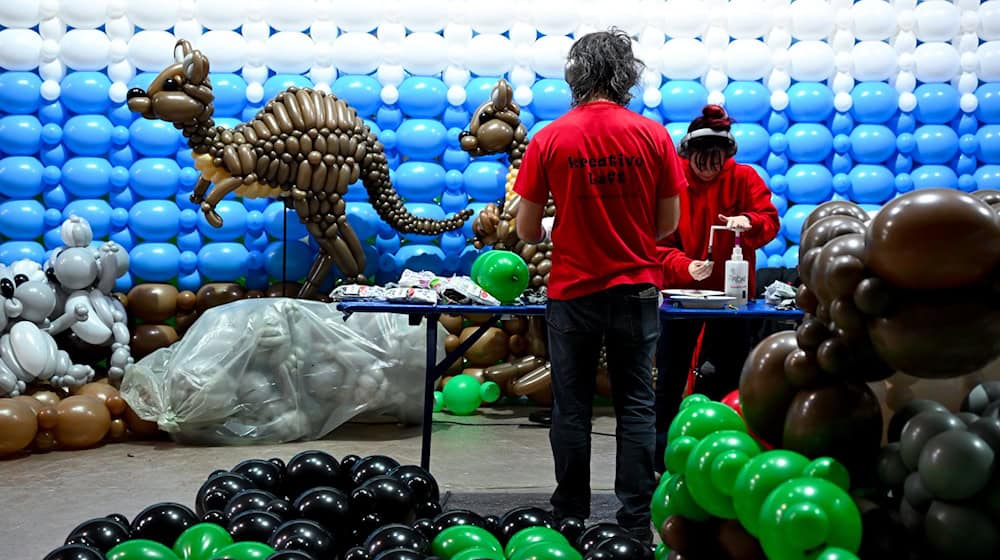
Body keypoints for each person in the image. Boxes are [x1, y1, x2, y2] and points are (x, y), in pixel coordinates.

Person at [513, 29, 685, 543]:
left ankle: (569, 512)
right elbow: (667, 225)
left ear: (576, 74)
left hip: (572, 290)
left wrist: (564, 223)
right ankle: (634, 521)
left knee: (572, 406)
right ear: (626, 74)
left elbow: (524, 230)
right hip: (636, 287)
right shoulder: (652, 136)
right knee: (636, 403)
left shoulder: (550, 137)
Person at [654, 105, 780, 471]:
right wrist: (683, 266)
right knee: (670, 374)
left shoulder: (744, 179)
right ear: (687, 155)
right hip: (680, 298)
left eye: (717, 162)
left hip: (733, 299)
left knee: (724, 373)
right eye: (701, 162)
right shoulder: (671, 182)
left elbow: (769, 220)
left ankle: (720, 449)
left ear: (726, 157)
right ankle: (662, 451)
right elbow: (656, 242)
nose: (709, 169)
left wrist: (749, 221)